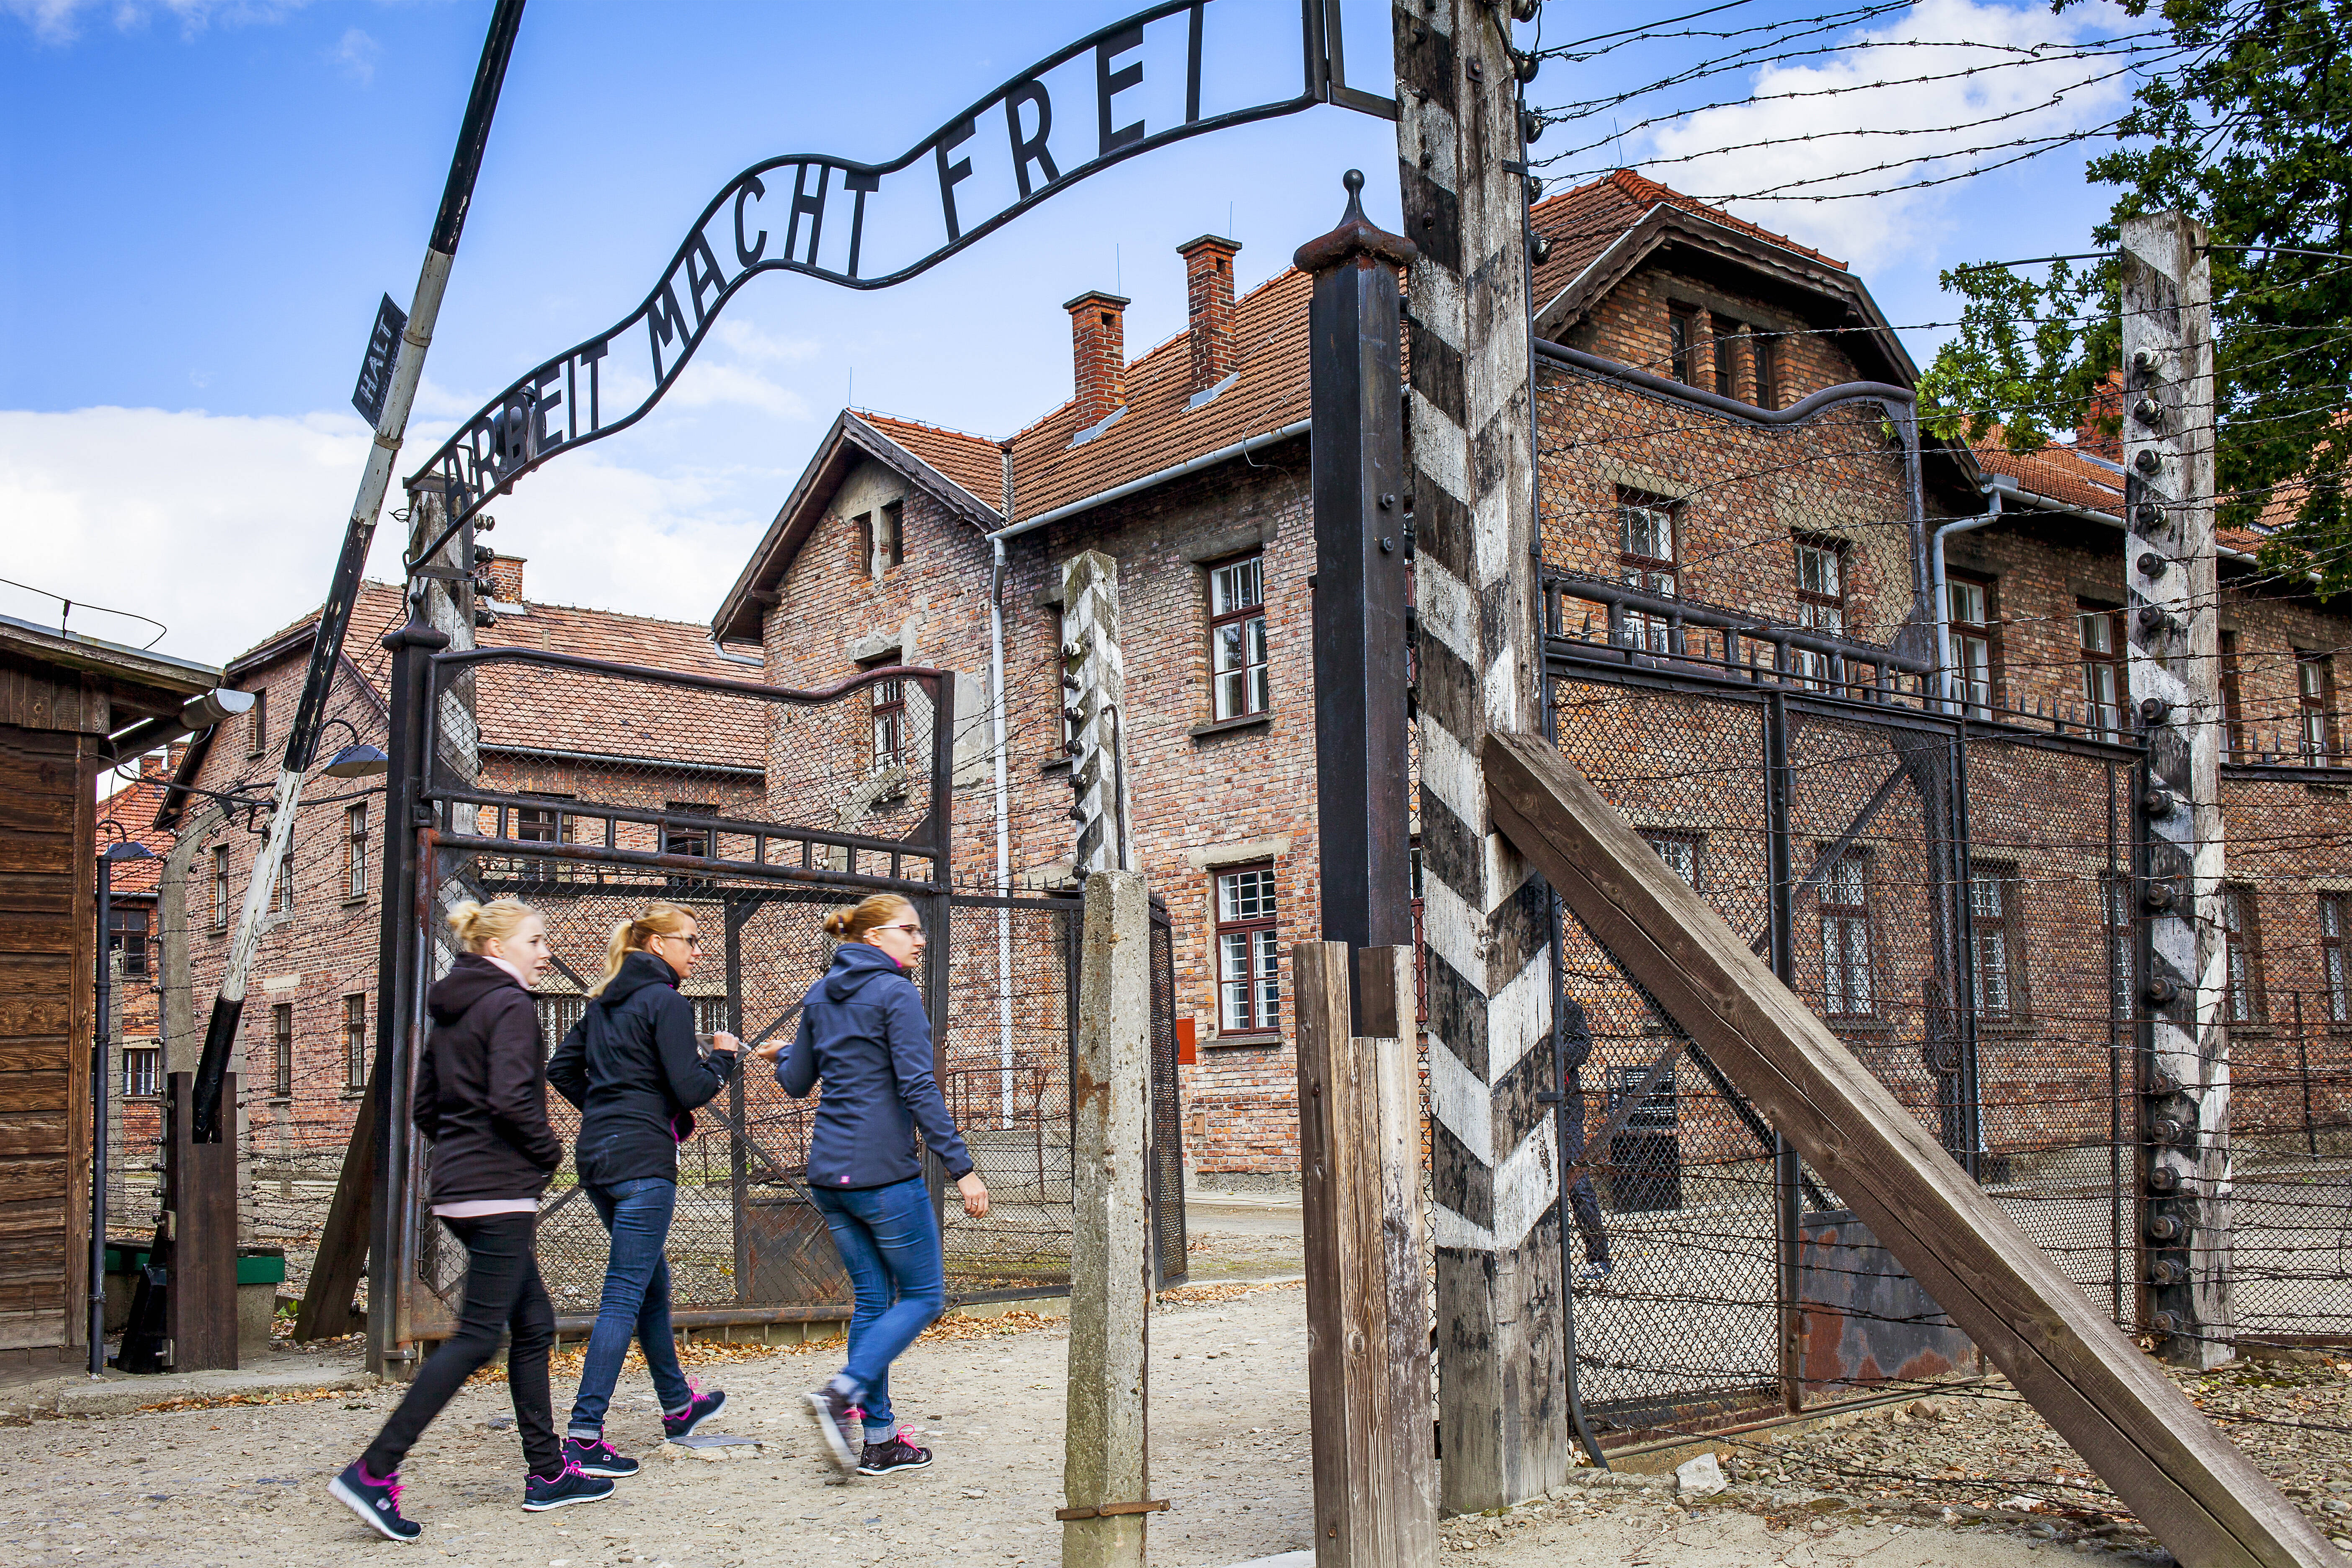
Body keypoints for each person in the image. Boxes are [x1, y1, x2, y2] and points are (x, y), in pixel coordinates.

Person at [332, 897, 608, 1541]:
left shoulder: (453, 1009)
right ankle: (374, 1471)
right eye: (536, 941)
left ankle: (547, 1473)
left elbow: (427, 1105)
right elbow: (514, 1099)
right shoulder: (509, 1005)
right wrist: (547, 1152)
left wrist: (464, 1148)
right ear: (496, 948)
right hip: (499, 1191)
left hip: (458, 1187)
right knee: (479, 1337)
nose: (545, 954)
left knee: (532, 1323)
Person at [764, 892, 988, 1477]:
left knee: (873, 1301)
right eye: (908, 931)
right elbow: (918, 1089)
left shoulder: (820, 994)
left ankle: (881, 1440)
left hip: (830, 1177)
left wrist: (783, 1051)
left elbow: (797, 1081)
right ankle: (841, 1394)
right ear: (872, 938)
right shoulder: (896, 994)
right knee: (923, 1297)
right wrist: (962, 1167)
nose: (919, 940)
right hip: (882, 1176)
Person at [547, 901, 738, 1477]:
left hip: (598, 1159)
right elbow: (689, 1085)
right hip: (642, 1164)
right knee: (625, 1292)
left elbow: (560, 1068)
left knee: (652, 1279)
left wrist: (613, 1109)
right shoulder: (667, 1002)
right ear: (658, 945)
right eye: (691, 940)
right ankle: (583, 1435)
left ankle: (679, 1406)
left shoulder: (605, 1003)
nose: (698, 951)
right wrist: (725, 1060)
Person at [1558, 992, 1614, 1281]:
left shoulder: (1567, 1006)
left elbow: (1583, 1046)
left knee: (1576, 1179)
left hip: (1566, 1105)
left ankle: (1598, 1258)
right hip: (1531, 1105)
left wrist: (1550, 1051)